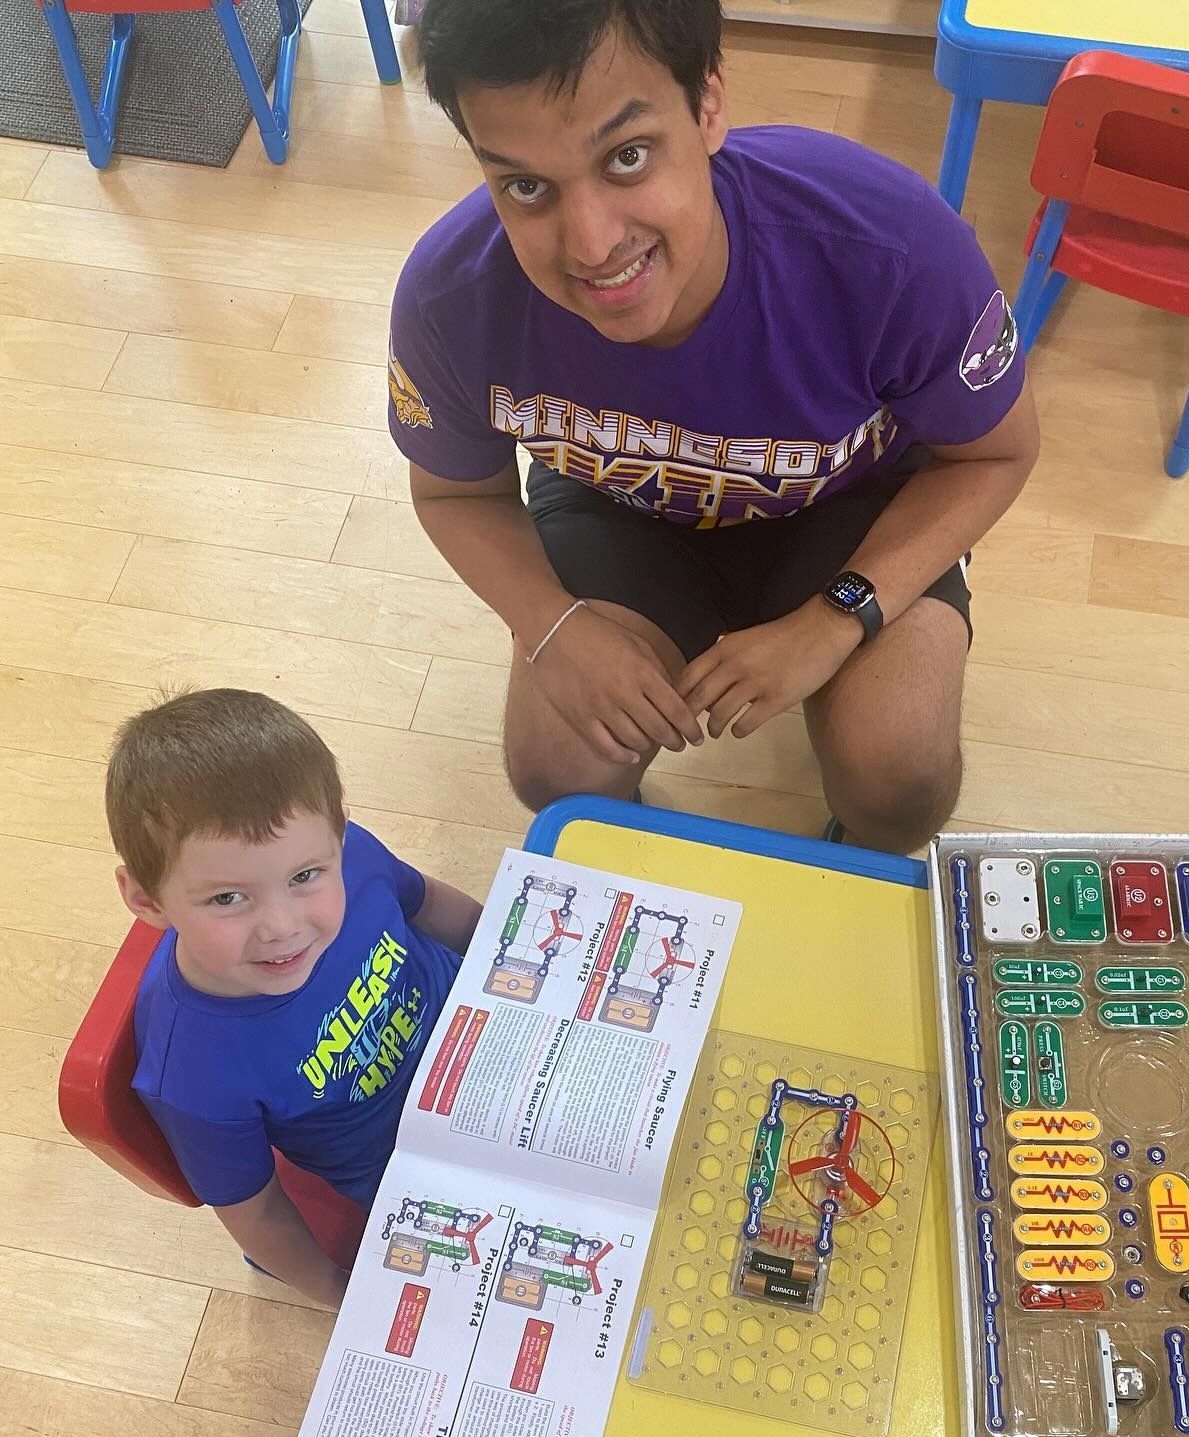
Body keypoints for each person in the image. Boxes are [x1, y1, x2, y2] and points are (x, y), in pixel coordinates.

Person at [389, 0, 1039, 853]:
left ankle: (849, 863)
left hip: (850, 503)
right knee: (554, 770)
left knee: (899, 779)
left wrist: (838, 616)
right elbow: (452, 494)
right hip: (618, 509)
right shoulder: (450, 298)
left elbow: (995, 453)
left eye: (627, 157)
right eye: (525, 185)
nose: (590, 245)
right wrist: (552, 624)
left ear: (708, 105)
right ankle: (636, 853)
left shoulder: (889, 244)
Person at [106, 689, 483, 1306]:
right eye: (228, 898)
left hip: (492, 1033)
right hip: (421, 1166)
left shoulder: (350, 855)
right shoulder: (193, 1071)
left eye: (305, 877)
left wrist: (512, 960)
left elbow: (429, 903)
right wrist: (341, 1292)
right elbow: (255, 1216)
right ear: (147, 900)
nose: (282, 926)